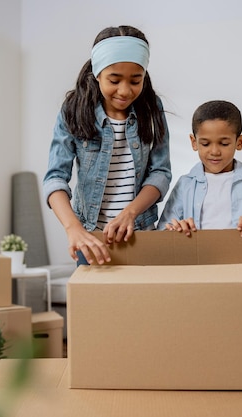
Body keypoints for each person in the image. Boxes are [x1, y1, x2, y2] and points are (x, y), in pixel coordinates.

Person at [43, 25, 171, 265]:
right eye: (114, 80)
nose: (125, 90)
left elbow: (160, 172)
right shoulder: (73, 110)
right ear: (97, 72)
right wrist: (73, 229)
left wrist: (130, 213)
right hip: (90, 239)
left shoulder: (152, 108)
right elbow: (55, 178)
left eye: (136, 80)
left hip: (142, 234)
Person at [157, 100, 242, 244]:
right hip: (198, 265)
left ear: (240, 142)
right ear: (194, 142)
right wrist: (174, 230)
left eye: (224, 143)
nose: (214, 151)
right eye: (205, 144)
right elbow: (163, 230)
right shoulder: (185, 184)